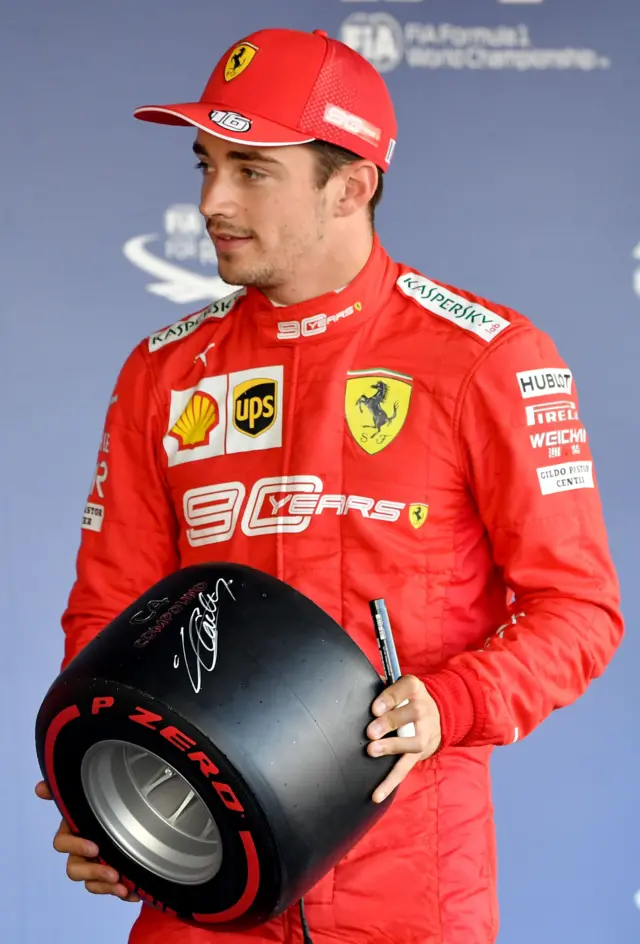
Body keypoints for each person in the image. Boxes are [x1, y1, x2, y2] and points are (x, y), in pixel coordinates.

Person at [35, 25, 623, 944]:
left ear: (352, 184)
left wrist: (453, 702)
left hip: (411, 888)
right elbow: (108, 614)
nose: (211, 201)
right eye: (205, 165)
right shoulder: (164, 372)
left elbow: (581, 608)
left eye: (251, 171)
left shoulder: (486, 358)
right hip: (201, 883)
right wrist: (104, 799)